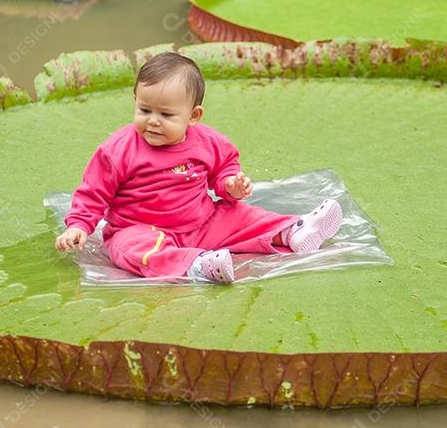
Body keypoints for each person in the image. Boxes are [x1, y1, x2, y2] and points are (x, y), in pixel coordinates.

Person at [55, 52, 342, 283]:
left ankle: (292, 231)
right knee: (133, 249)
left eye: (166, 114)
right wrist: (79, 226)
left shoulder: (208, 141)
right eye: (144, 110)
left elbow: (225, 168)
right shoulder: (118, 150)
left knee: (243, 216)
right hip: (139, 228)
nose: (153, 121)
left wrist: (230, 185)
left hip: (202, 221)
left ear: (193, 116)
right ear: (136, 102)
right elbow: (93, 194)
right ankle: (196, 265)